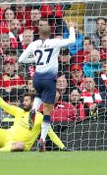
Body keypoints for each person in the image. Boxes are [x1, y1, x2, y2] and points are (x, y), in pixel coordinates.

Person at [18, 22, 75, 151]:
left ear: (39, 33)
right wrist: (71, 27)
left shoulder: (34, 44)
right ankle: (42, 139)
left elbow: (21, 60)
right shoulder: (54, 42)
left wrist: (35, 60)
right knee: (47, 113)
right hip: (49, 79)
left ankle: (33, 109)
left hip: (37, 78)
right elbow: (72, 41)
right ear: (50, 33)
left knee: (39, 95)